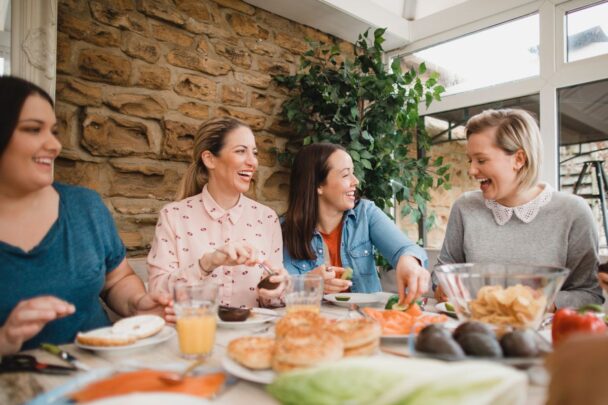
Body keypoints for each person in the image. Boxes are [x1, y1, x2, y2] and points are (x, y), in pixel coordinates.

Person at [0, 76, 169, 355]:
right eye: (33, 129)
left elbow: (116, 280)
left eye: (53, 131)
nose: (54, 145)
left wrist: (136, 303)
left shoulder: (85, 207)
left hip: (101, 373)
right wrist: (6, 338)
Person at [435, 108, 603, 309]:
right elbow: (441, 275)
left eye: (481, 160)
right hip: (474, 332)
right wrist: (443, 288)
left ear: (519, 159)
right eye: (470, 160)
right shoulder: (465, 207)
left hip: (545, 336)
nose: (471, 170)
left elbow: (590, 294)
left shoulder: (573, 211)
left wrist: (541, 303)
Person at [147, 117, 288, 309]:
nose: (252, 162)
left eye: (254, 153)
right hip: (194, 333)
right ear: (210, 159)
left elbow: (272, 302)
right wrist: (207, 263)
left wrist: (278, 287)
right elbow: (157, 293)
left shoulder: (267, 218)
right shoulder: (173, 216)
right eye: (240, 151)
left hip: (252, 335)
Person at [282, 143, 430, 305]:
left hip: (366, 321)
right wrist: (309, 282)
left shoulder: (366, 213)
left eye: (353, 173)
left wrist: (408, 262)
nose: (356, 181)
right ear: (318, 185)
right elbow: (277, 294)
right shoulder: (284, 230)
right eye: (346, 175)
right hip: (315, 325)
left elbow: (405, 248)